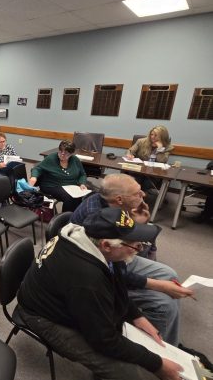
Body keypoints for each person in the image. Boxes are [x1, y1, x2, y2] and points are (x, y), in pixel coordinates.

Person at [18, 207, 183, 380]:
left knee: (123, 333)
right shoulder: (87, 278)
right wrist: (156, 364)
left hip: (64, 297)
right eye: (136, 245)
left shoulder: (90, 241)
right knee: (136, 374)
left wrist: (136, 316)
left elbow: (116, 281)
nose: (139, 249)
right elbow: (104, 339)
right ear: (106, 245)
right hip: (40, 316)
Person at [70, 174, 194, 346]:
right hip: (99, 271)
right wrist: (156, 285)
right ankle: (159, 347)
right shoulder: (98, 219)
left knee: (169, 273)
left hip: (117, 255)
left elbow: (130, 243)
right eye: (137, 193)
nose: (143, 195)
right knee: (165, 303)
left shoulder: (113, 206)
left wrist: (141, 222)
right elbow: (112, 270)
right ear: (119, 199)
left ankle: (163, 337)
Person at [29, 140, 88, 212]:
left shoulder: (75, 160)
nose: (62, 154)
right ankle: (65, 219)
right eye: (60, 151)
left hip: (71, 186)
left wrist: (82, 183)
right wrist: (34, 177)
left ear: (71, 153)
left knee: (83, 196)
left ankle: (76, 216)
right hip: (52, 185)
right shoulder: (51, 158)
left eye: (66, 153)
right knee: (70, 198)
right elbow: (37, 168)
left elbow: (82, 174)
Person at [126, 126, 174, 193]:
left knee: (146, 183)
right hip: (138, 170)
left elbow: (162, 161)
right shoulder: (141, 141)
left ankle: (142, 197)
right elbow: (130, 151)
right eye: (151, 134)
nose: (152, 137)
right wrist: (130, 155)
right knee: (135, 181)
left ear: (162, 136)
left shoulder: (167, 147)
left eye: (156, 135)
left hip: (153, 173)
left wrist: (160, 149)